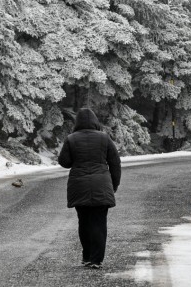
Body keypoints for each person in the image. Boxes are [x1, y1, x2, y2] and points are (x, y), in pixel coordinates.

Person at [58, 108, 122, 269]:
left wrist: (77, 159)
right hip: (102, 184)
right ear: (95, 121)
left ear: (77, 123)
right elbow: (115, 163)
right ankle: (96, 260)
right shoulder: (104, 138)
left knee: (84, 222)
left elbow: (64, 161)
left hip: (79, 186)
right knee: (99, 223)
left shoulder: (71, 139)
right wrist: (114, 185)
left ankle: (87, 256)